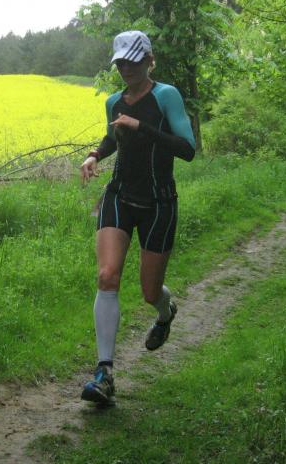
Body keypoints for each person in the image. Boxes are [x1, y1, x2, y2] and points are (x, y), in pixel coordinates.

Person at [79, 30, 196, 405]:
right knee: (107, 275)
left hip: (159, 202)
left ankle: (165, 312)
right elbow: (114, 138)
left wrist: (142, 127)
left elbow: (187, 149)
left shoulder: (166, 96)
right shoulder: (114, 102)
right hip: (119, 196)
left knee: (150, 292)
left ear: (149, 60)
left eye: (132, 61)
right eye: (120, 63)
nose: (126, 68)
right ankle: (104, 374)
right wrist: (95, 155)